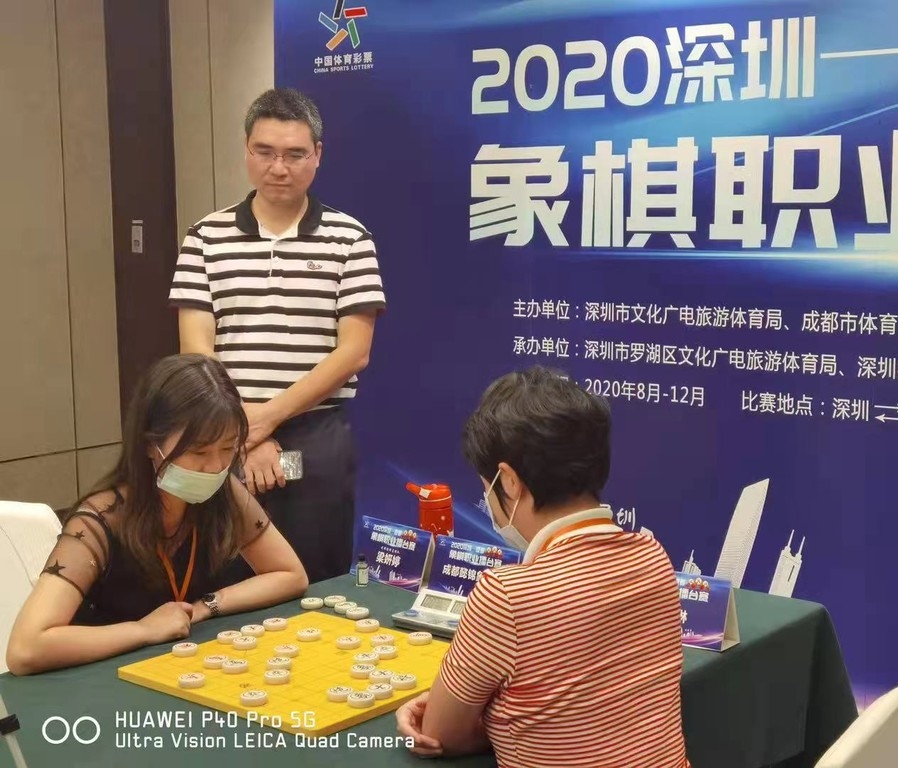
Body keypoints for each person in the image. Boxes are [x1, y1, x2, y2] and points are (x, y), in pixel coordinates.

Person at [395, 367, 691, 767]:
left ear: (509, 481)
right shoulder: (653, 556)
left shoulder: (506, 595)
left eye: (486, 488)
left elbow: (439, 734)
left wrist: (476, 716)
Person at [168, 87, 385, 584]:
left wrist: (266, 420)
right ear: (246, 150)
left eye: (294, 154)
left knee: (316, 576)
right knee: (223, 575)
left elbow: (354, 353)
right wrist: (242, 432)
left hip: (314, 435)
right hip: (222, 436)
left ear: (318, 155)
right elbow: (196, 349)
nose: (278, 168)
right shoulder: (205, 236)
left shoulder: (351, 238)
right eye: (264, 152)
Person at [5, 354, 309, 676]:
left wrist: (208, 605)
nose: (215, 466)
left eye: (228, 448)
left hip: (187, 670)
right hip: (105, 679)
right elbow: (25, 648)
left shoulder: (223, 490)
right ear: (151, 444)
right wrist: (144, 630)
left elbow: (290, 574)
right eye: (199, 451)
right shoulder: (101, 520)